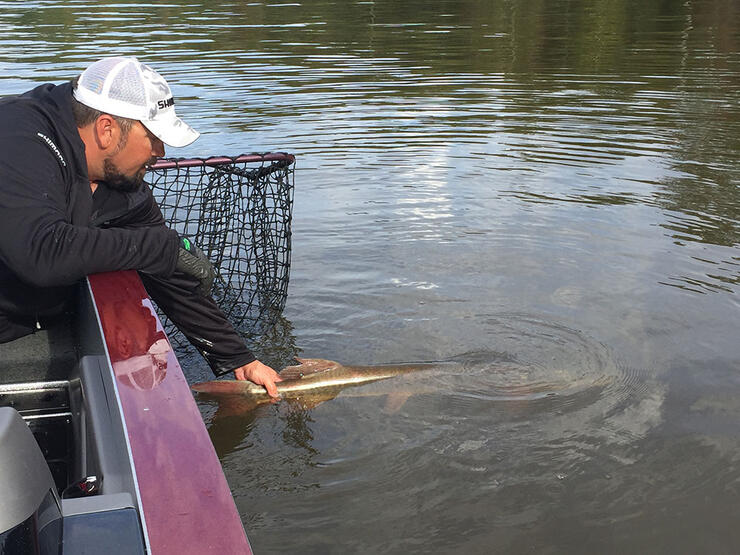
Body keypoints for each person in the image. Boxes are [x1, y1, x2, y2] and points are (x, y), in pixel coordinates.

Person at [0, 56, 281, 397]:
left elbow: (163, 266)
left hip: (37, 321)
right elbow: (41, 253)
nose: (160, 153)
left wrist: (239, 359)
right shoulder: (18, 137)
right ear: (107, 129)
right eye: (153, 138)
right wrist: (163, 247)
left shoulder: (121, 182)